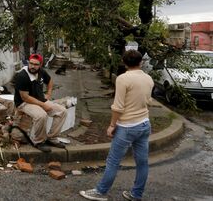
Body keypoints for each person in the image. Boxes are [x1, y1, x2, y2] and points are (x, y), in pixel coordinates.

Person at [80, 49, 154, 201]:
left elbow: (118, 106)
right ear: (141, 62)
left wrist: (112, 125)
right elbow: (148, 102)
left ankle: (100, 192)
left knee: (113, 161)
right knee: (142, 162)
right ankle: (136, 194)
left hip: (127, 126)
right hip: (145, 124)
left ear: (124, 63)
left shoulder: (123, 79)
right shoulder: (148, 79)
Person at [13, 53, 68, 153]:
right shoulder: (22, 76)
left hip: (40, 99)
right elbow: (25, 97)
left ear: (40, 65)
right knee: (41, 115)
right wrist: (43, 105)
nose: (33, 66)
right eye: (31, 63)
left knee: (62, 111)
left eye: (36, 64)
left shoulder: (41, 72)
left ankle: (52, 138)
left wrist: (49, 94)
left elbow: (50, 81)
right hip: (24, 103)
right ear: (28, 63)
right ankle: (38, 141)